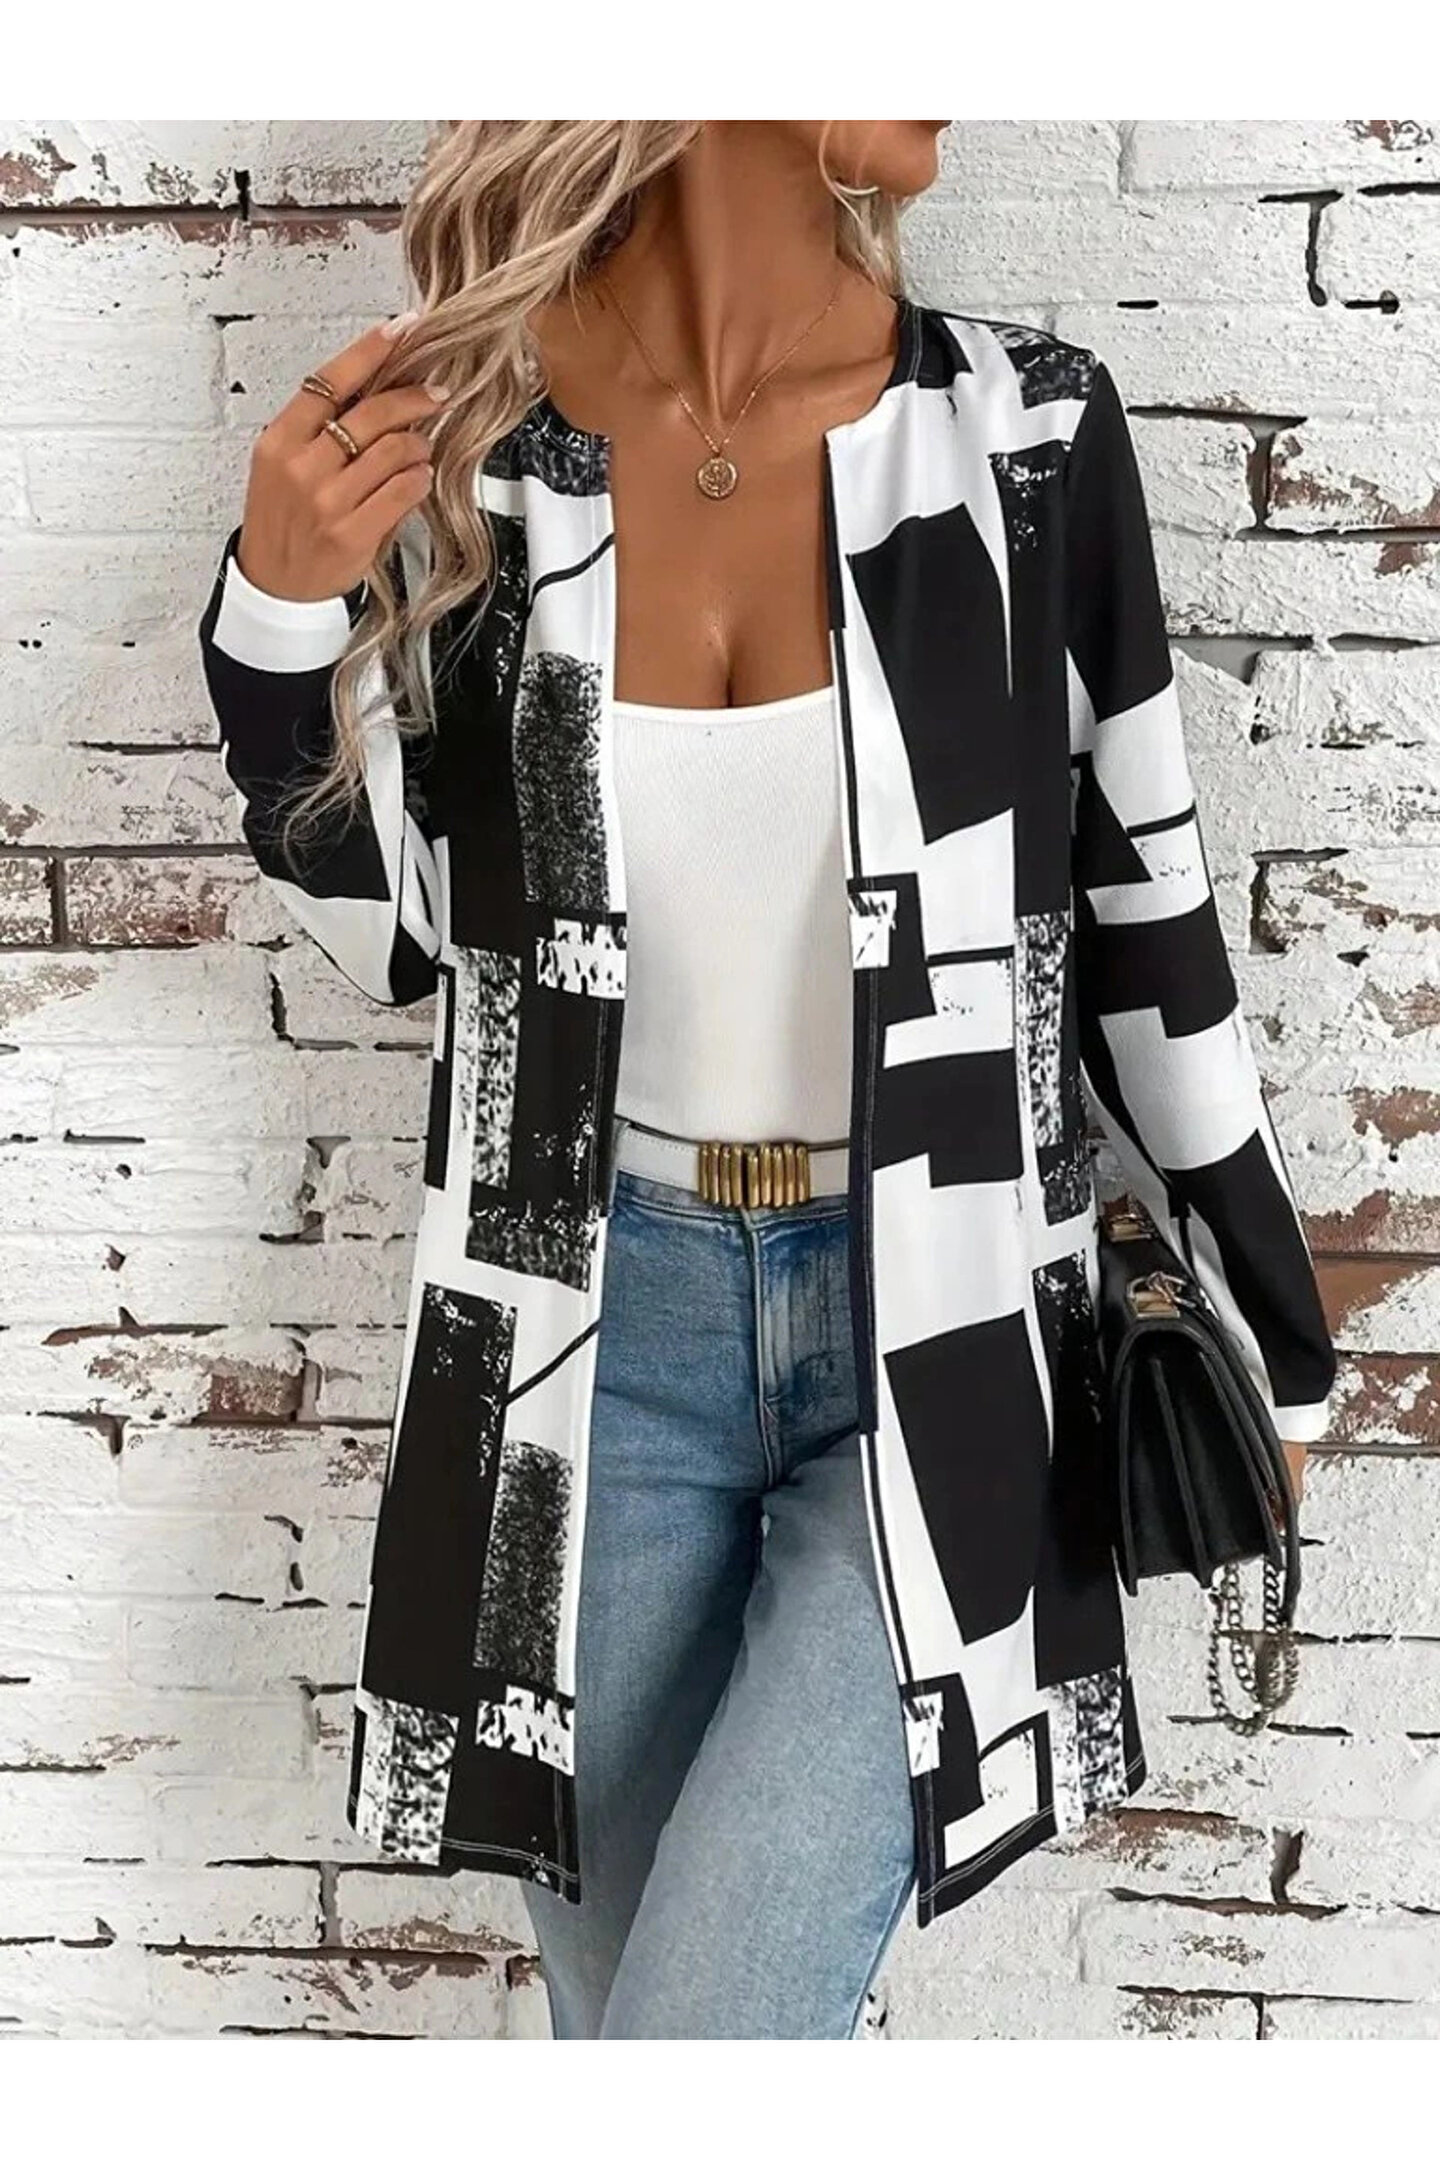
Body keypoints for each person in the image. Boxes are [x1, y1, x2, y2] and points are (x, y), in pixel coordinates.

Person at [196, 120, 1337, 2041]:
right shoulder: (474, 457)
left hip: (940, 1330)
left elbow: (1144, 912)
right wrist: (276, 621)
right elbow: (393, 940)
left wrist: (1274, 1339)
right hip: (585, 1347)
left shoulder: (1023, 436)